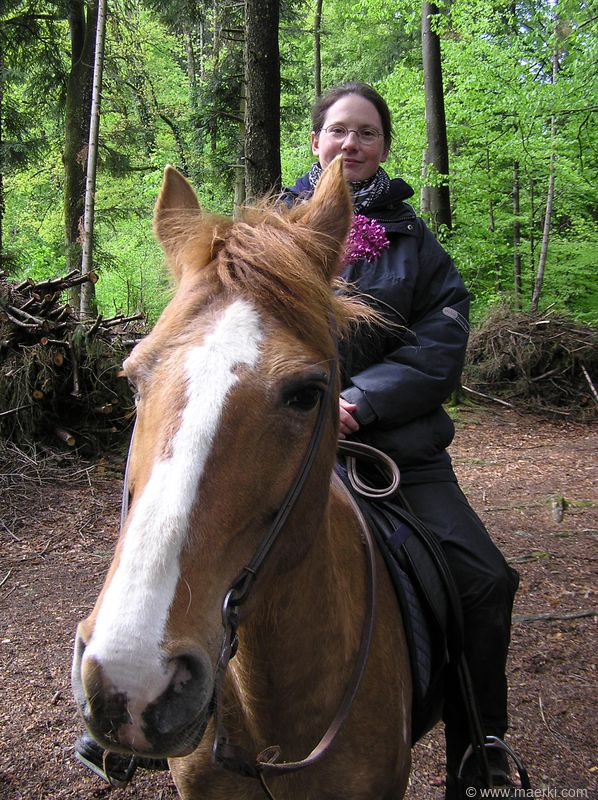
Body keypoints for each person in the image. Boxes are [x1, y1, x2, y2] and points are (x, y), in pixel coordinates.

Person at [282, 81, 520, 800]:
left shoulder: (418, 245)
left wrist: (360, 400)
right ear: (315, 141)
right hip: (284, 447)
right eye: (338, 130)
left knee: (484, 580)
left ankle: (479, 750)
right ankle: (137, 712)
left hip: (398, 457)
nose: (350, 143)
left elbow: (441, 342)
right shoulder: (275, 229)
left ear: (384, 146)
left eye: (366, 132)